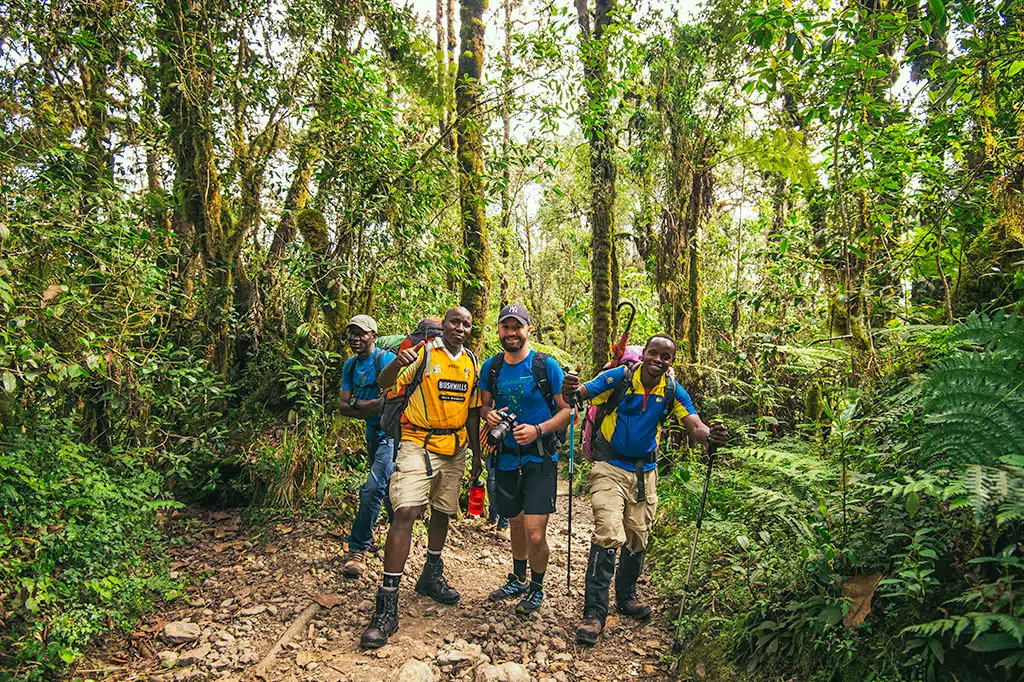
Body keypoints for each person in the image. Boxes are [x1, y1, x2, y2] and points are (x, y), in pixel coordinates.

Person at [561, 334, 729, 645]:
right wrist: (570, 387)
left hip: (644, 473)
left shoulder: (671, 391)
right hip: (609, 466)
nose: (658, 360)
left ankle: (626, 596)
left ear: (671, 362)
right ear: (645, 354)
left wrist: (711, 436)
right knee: (609, 531)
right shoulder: (619, 377)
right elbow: (583, 393)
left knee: (638, 536)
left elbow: (694, 425)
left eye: (665, 357)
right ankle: (594, 613)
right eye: (654, 353)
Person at [359, 306, 482, 649]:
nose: (460, 327)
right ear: (443, 324)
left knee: (443, 511)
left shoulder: (471, 362)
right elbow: (383, 384)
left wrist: (476, 457)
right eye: (454, 321)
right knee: (406, 511)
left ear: (471, 330)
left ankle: (431, 574)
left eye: (466, 324)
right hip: (417, 442)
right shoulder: (424, 354)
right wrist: (397, 363)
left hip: (455, 447)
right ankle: (387, 604)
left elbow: (472, 413)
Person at [480, 305, 571, 614]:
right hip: (505, 457)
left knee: (534, 530)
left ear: (528, 329)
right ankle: (518, 578)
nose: (511, 333)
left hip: (540, 457)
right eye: (505, 327)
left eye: (517, 327)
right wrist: (489, 416)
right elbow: (484, 406)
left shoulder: (546, 365)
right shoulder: (491, 367)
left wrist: (538, 430)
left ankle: (537, 586)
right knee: (516, 523)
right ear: (499, 331)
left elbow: (566, 411)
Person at [338, 315, 397, 579]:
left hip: (391, 434)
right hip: (372, 434)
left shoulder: (383, 360)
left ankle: (358, 549)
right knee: (385, 489)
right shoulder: (350, 366)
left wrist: (356, 405)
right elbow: (342, 407)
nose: (356, 338)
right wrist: (366, 405)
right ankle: (399, 536)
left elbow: (385, 404)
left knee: (372, 487)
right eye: (352, 333)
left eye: (361, 333)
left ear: (373, 335)